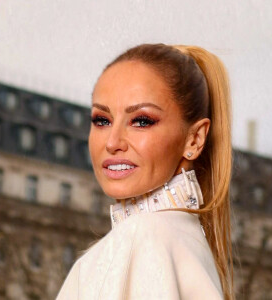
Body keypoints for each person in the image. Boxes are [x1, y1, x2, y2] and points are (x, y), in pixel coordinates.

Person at [56, 43, 234, 300]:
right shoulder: (185, 240)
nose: (112, 142)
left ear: (194, 139)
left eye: (141, 121)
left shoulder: (144, 237)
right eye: (102, 120)